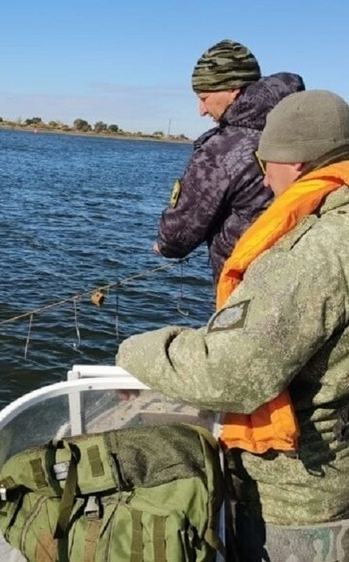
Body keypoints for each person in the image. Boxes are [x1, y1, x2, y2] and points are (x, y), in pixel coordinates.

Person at [117, 89, 349, 560]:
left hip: (299, 503)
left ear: (298, 165)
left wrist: (135, 351)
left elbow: (228, 373)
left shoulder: (315, 253)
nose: (264, 180)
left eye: (265, 165)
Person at [154, 39, 304, 284]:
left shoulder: (221, 149)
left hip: (250, 286)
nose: (201, 111)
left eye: (204, 97)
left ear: (233, 89)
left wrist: (164, 245)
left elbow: (176, 238)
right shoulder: (308, 123)